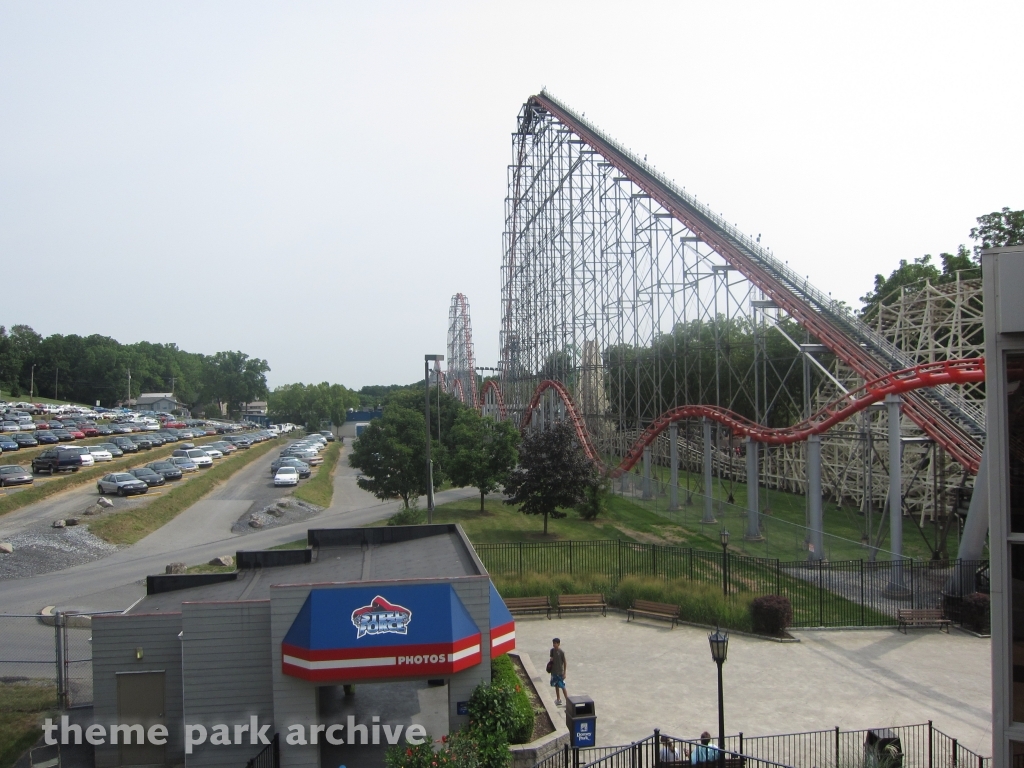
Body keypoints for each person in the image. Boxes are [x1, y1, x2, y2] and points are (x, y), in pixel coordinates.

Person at [549, 637, 568, 705]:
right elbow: (551, 659)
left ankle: (567, 701)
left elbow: (565, 662)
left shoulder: (561, 652)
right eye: (553, 643)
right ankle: (558, 699)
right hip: (554, 671)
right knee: (556, 685)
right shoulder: (552, 651)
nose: (554, 645)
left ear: (558, 644)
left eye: (555, 643)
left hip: (560, 672)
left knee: (562, 686)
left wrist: (564, 673)